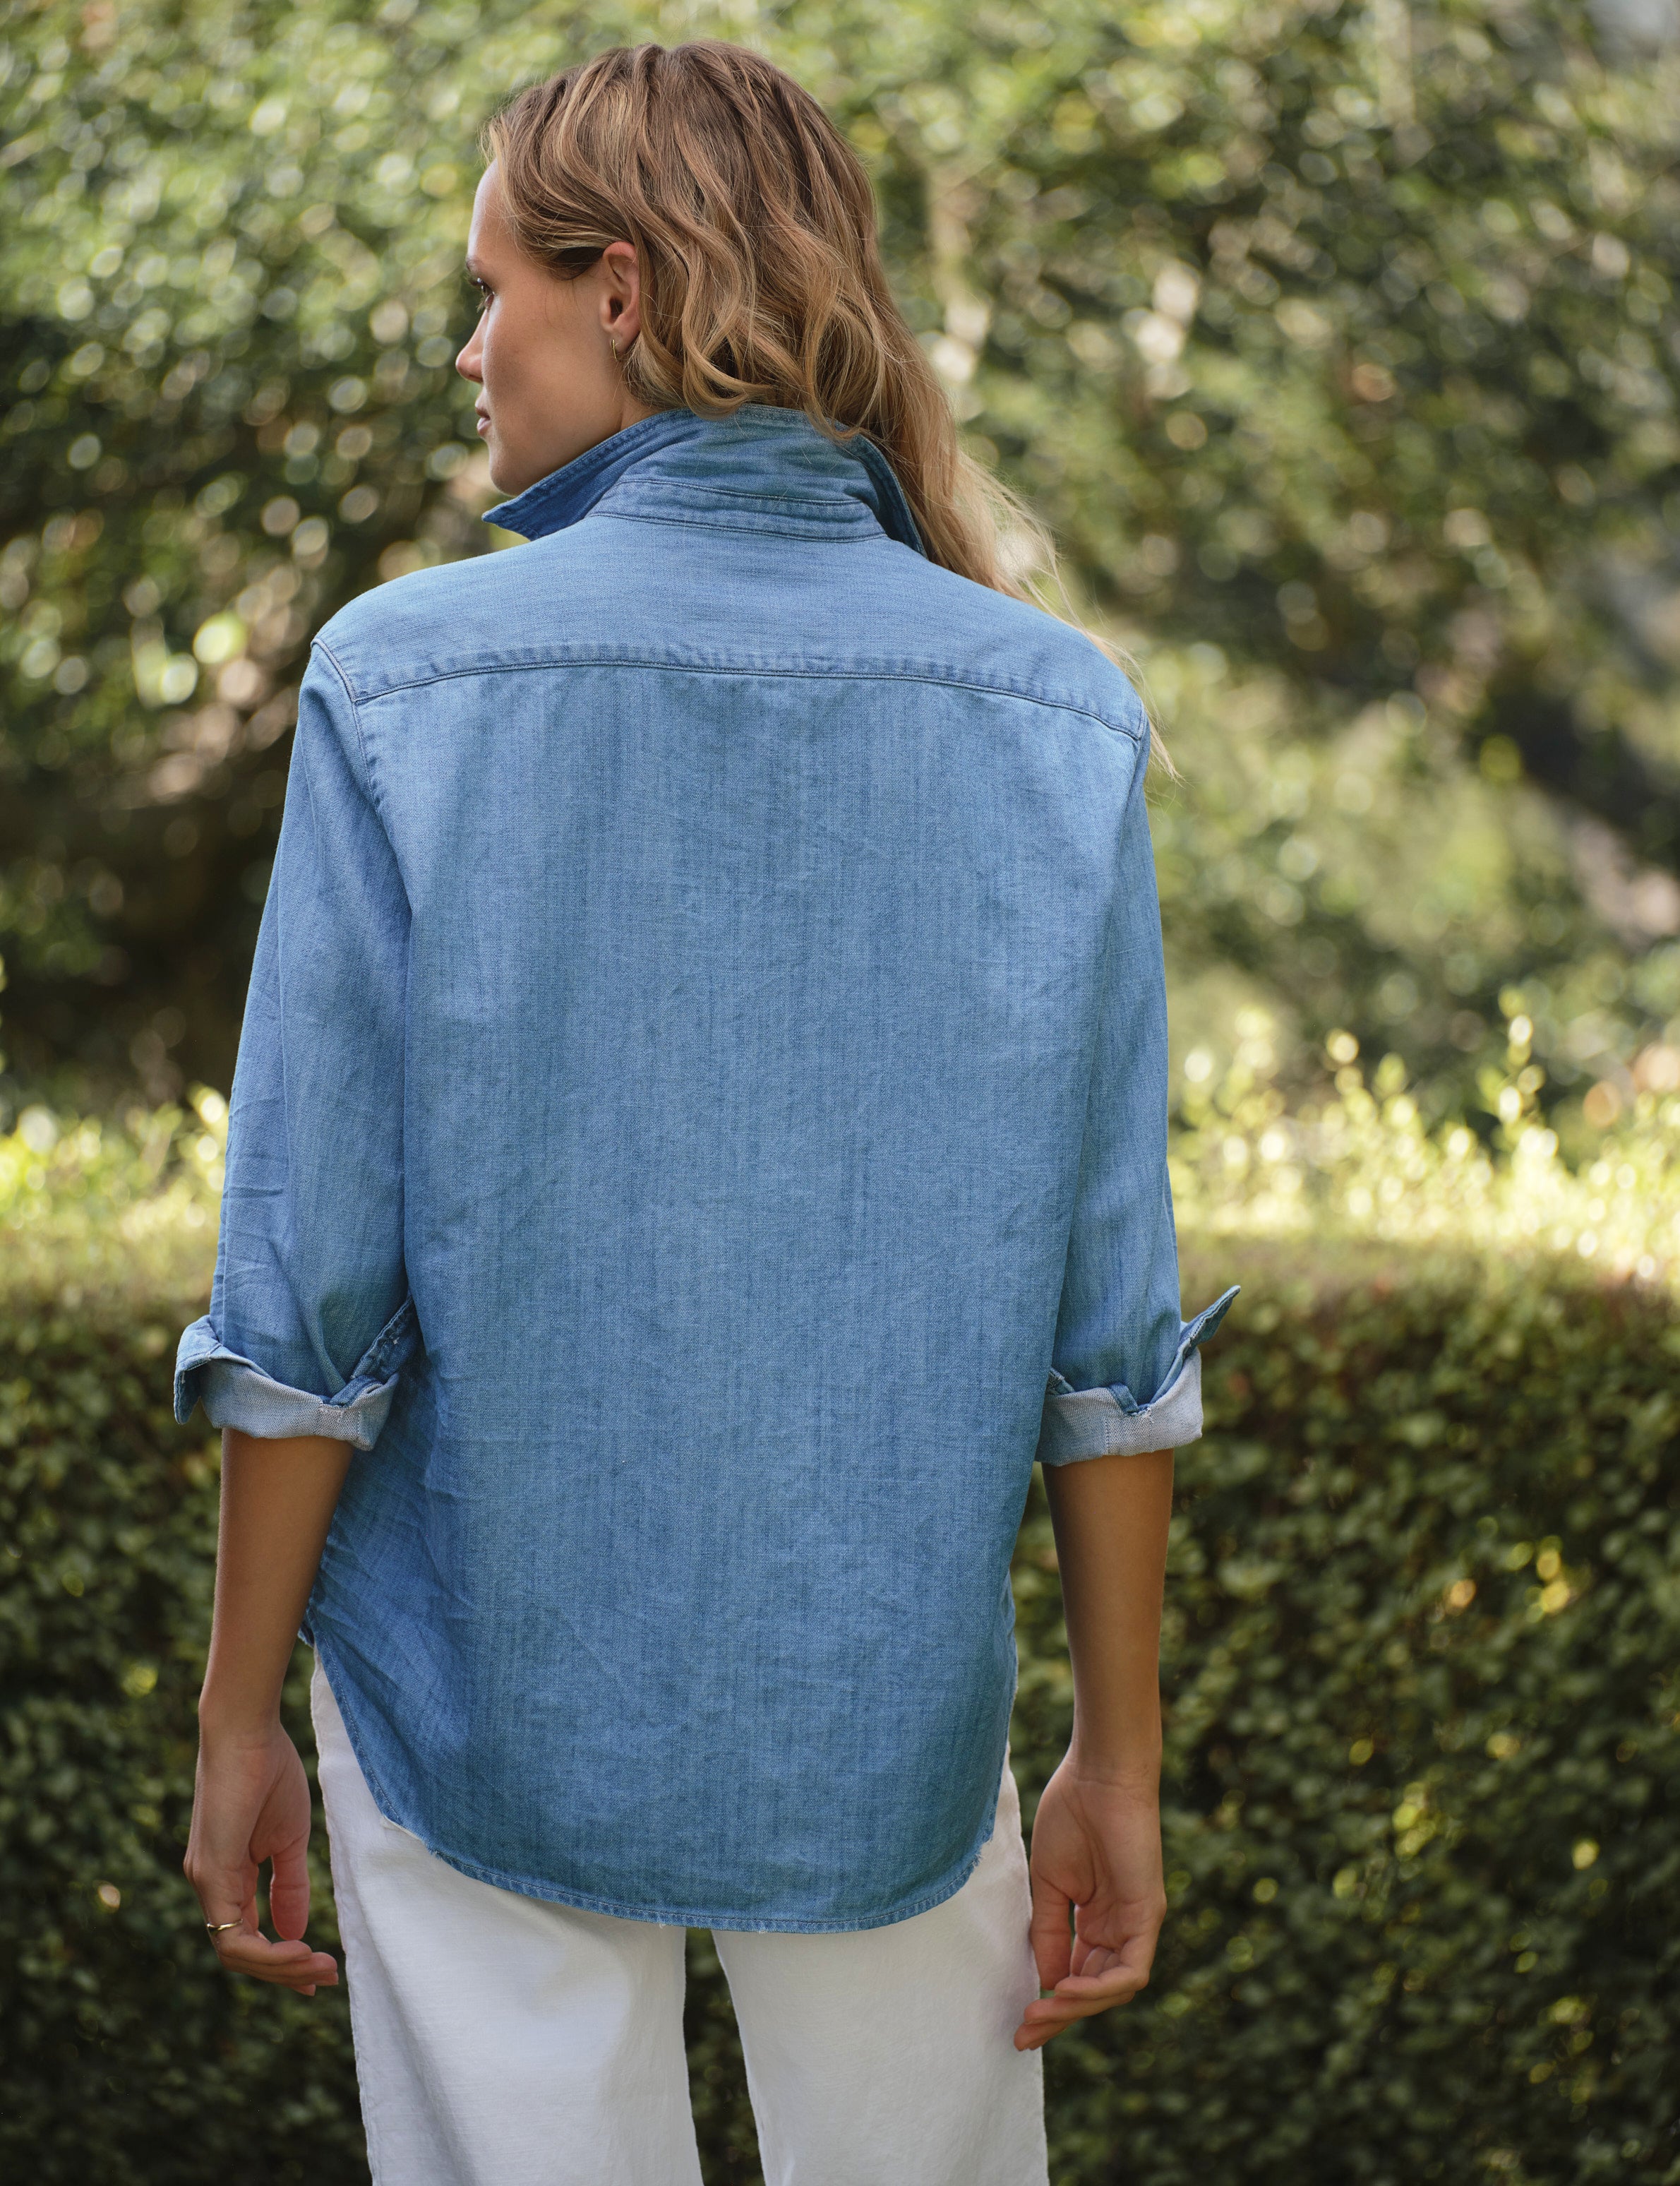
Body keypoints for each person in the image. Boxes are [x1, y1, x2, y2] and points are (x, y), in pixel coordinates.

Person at [174, 40, 1235, 2186]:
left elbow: (307, 1297)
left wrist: (238, 1713)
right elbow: (1107, 1328)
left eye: (492, 292)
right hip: (889, 1719)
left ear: (626, 291)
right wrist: (1113, 1761)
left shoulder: (402, 681)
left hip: (472, 1692)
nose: (470, 351)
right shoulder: (1055, 712)